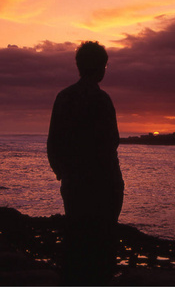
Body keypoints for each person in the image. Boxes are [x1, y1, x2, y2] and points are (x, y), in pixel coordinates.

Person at [47, 41, 124, 285]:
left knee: (77, 243)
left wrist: (63, 173)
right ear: (100, 67)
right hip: (103, 184)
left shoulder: (64, 97)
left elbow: (53, 144)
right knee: (101, 247)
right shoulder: (101, 100)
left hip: (75, 184)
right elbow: (112, 141)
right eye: (104, 65)